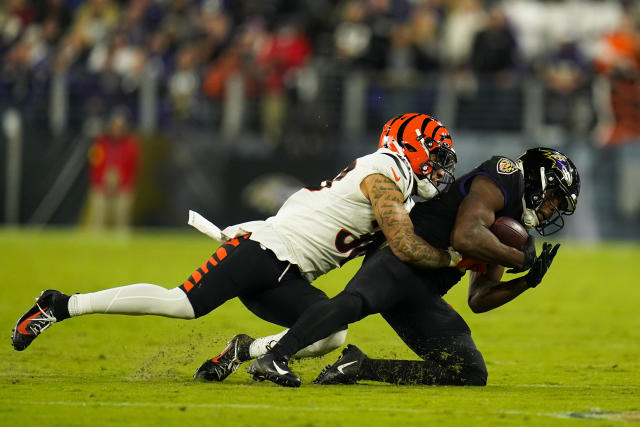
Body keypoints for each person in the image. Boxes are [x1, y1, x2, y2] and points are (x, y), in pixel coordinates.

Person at [11, 113, 463, 375]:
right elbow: (404, 247)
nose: (441, 170)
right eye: (437, 157)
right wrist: (450, 257)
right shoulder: (387, 174)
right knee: (181, 304)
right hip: (265, 250)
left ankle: (242, 352)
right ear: (413, 147)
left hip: (291, 271)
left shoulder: (395, 181)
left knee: (331, 332)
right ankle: (60, 304)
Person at [245, 147, 580, 387]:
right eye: (553, 197)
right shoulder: (504, 175)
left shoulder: (513, 228)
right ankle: (275, 357)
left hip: (424, 291)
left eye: (558, 206)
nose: (551, 209)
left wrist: (526, 282)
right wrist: (521, 259)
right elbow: (465, 236)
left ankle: (359, 367)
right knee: (355, 303)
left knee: (470, 373)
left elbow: (480, 298)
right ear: (538, 178)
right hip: (402, 256)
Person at [86, 110, 141, 233]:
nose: (117, 130)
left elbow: (133, 167)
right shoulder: (100, 143)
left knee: (122, 218)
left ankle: (122, 246)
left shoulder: (131, 145)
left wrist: (123, 183)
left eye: (120, 127)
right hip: (101, 184)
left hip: (123, 186)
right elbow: (94, 164)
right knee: (98, 218)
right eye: (115, 126)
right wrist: (100, 181)